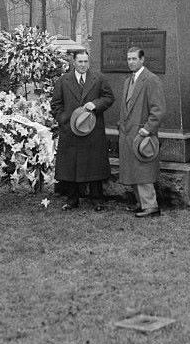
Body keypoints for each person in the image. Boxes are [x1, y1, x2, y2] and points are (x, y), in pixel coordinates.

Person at [52, 49, 115, 211]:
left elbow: (109, 98)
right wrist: (64, 120)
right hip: (70, 131)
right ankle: (72, 199)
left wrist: (96, 104)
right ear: (74, 62)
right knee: (71, 166)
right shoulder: (63, 80)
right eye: (80, 62)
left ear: (89, 62)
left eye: (86, 61)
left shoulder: (98, 79)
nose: (83, 65)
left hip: (92, 130)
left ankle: (97, 199)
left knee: (94, 166)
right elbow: (56, 104)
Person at [117, 46, 165, 218]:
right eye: (128, 59)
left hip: (142, 134)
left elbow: (158, 110)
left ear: (142, 60)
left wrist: (147, 129)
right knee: (133, 170)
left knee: (143, 171)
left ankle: (151, 205)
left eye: (134, 59)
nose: (131, 62)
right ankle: (141, 203)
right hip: (128, 134)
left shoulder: (151, 80)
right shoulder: (128, 81)